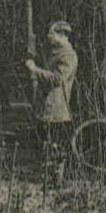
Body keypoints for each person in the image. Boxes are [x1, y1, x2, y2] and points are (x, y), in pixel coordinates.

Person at [25, 21, 78, 182]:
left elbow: (58, 78)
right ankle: (48, 177)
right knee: (47, 143)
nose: (48, 37)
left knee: (55, 145)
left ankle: (56, 180)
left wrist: (35, 70)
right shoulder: (57, 52)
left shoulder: (68, 54)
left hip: (57, 109)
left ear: (62, 35)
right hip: (48, 106)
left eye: (52, 33)